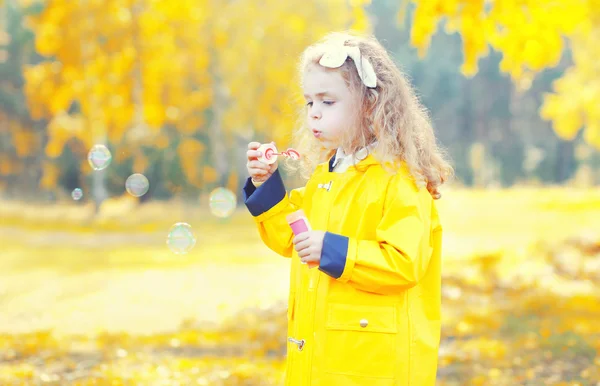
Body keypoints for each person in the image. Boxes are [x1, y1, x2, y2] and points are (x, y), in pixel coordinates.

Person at [243, 30, 453, 386]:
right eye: (310, 102)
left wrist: (333, 250)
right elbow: (290, 239)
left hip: (372, 365)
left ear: (370, 105)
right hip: (319, 357)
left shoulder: (399, 178)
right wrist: (267, 186)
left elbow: (404, 262)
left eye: (328, 102)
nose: (314, 114)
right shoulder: (325, 173)